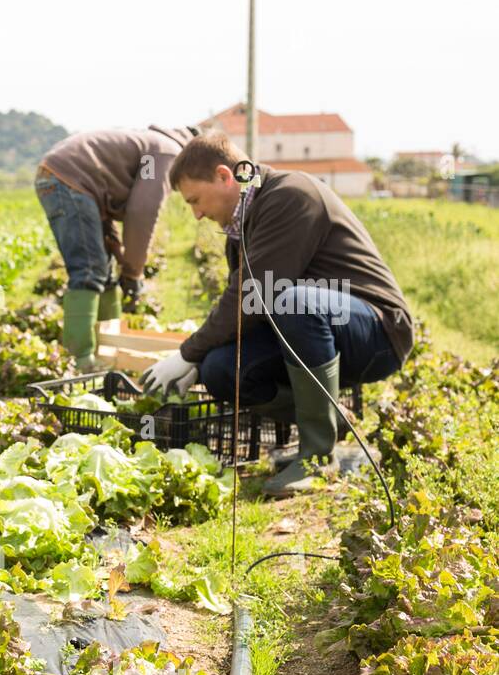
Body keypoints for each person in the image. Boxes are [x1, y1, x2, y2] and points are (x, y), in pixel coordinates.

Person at [141, 132, 414, 496]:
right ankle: (329, 420)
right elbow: (248, 306)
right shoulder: (241, 228)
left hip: (376, 331)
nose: (197, 214)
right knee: (222, 369)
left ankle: (318, 458)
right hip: (318, 330)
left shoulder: (289, 195)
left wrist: (187, 351)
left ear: (224, 176)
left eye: (196, 200)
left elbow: (255, 292)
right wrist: (200, 358)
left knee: (295, 301)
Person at [36, 125, 199, 367]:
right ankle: (79, 359)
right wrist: (133, 272)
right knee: (89, 270)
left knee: (104, 269)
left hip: (62, 179)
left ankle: (108, 348)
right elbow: (142, 211)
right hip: (69, 182)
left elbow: (114, 208)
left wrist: (121, 258)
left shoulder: (154, 145)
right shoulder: (165, 153)